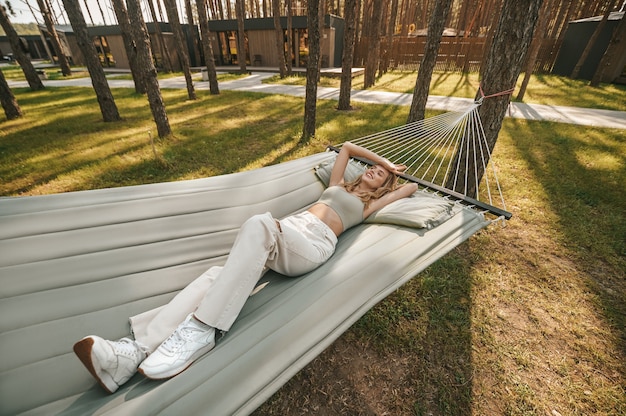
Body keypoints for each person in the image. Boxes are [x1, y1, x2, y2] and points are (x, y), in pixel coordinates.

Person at [72, 142, 418, 393]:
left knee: (259, 223)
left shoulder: (368, 204)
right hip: (285, 233)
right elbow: (346, 148)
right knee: (215, 276)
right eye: (372, 168)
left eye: (381, 175)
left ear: (384, 186)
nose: (374, 171)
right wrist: (383, 158)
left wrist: (394, 175)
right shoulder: (337, 185)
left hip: (312, 246)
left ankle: (202, 330)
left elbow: (411, 187)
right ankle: (132, 352)